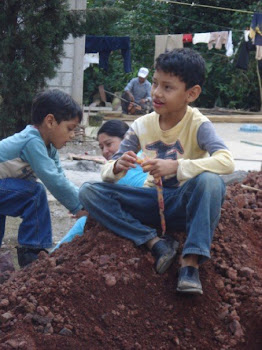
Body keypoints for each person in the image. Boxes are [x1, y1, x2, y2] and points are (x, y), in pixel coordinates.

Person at [79, 48, 235, 295]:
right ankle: (155, 243)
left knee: (211, 182)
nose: (156, 93)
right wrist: (118, 166)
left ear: (191, 93)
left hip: (185, 204)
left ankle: (190, 264)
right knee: (89, 191)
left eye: (167, 87)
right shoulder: (142, 125)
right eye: (155, 84)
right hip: (151, 203)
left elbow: (226, 161)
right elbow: (108, 170)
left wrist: (178, 167)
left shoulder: (198, 124)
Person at [0, 89, 87, 268]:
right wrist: (79, 208)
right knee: (34, 194)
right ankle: (31, 253)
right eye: (69, 128)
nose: (71, 135)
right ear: (50, 121)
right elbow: (52, 179)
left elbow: (60, 177)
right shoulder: (32, 141)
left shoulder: (49, 148)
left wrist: (83, 202)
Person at [51, 120, 147, 251]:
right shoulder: (121, 166)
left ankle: (53, 255)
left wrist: (91, 210)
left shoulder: (133, 162)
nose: (105, 151)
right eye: (101, 147)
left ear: (126, 140)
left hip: (145, 213)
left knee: (83, 222)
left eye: (108, 144)